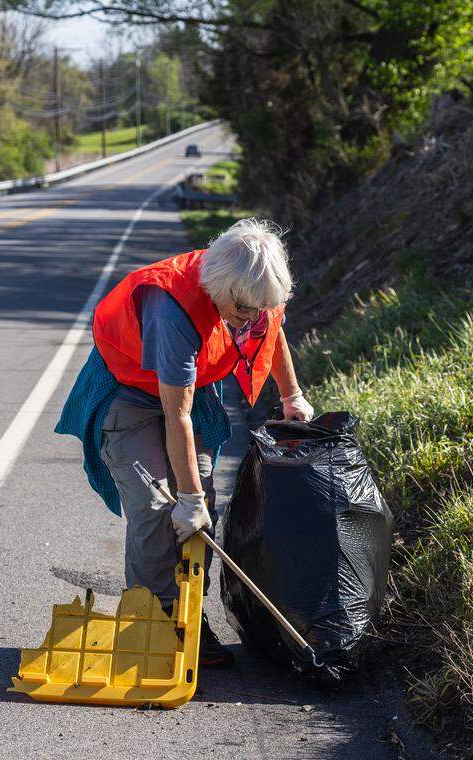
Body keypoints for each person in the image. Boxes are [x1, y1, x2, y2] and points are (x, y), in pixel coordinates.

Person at [55, 217, 314, 667]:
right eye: (244, 310)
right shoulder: (170, 309)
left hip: (188, 397)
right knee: (157, 506)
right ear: (218, 286)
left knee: (203, 515)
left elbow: (272, 331)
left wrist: (291, 395)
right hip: (130, 394)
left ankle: (189, 620)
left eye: (260, 308)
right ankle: (150, 622)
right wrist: (187, 497)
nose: (251, 318)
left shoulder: (250, 292)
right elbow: (177, 415)